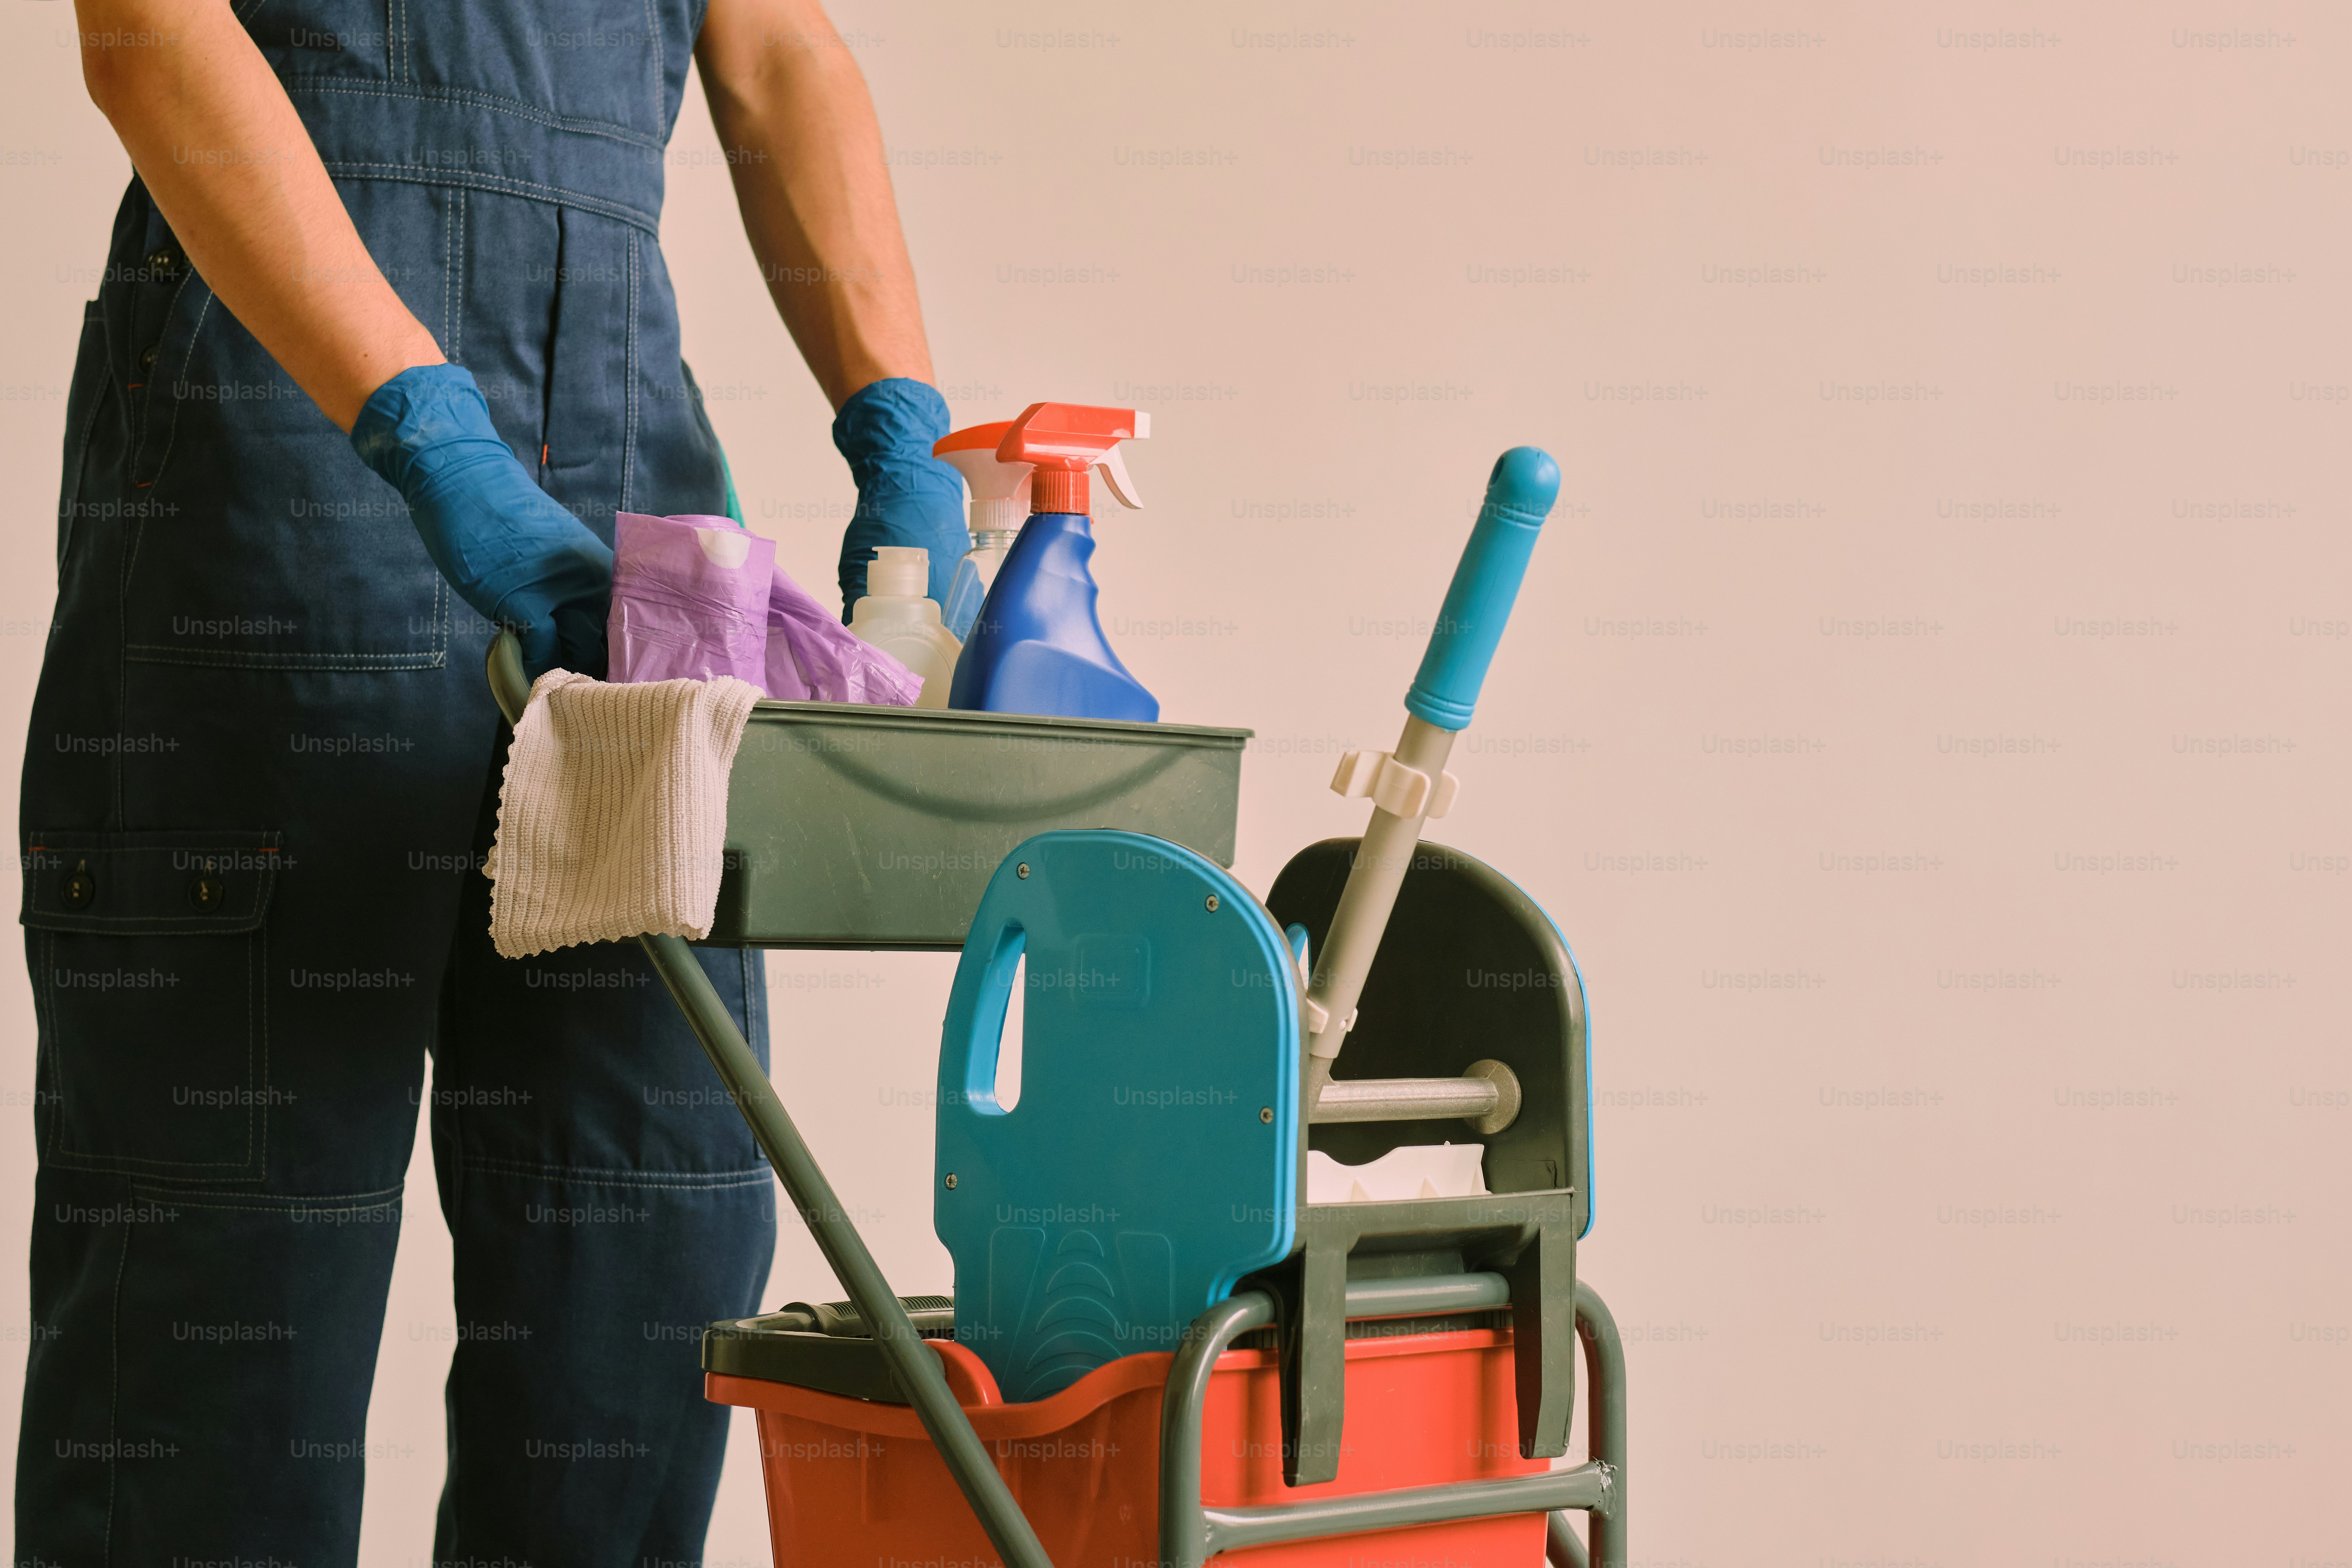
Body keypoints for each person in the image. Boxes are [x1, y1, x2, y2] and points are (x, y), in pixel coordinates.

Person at [18, 0, 967, 1560]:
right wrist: (426, 426)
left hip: (623, 487)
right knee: (219, 1324)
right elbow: (146, 28)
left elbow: (779, 47)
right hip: (269, 455)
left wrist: (902, 424)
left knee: (641, 1278)